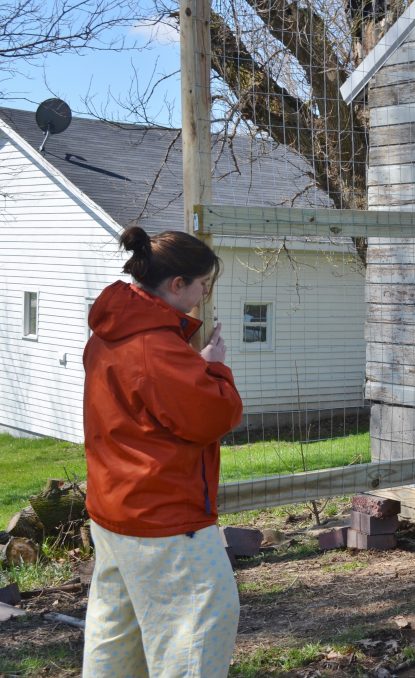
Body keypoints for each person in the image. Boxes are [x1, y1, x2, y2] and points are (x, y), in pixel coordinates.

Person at [81, 226, 243, 678]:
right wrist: (213, 366)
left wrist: (192, 362)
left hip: (115, 508)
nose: (203, 295)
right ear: (177, 284)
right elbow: (212, 416)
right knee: (200, 623)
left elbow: (148, 411)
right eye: (201, 285)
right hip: (164, 516)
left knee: (118, 631)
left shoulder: (112, 331)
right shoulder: (156, 346)